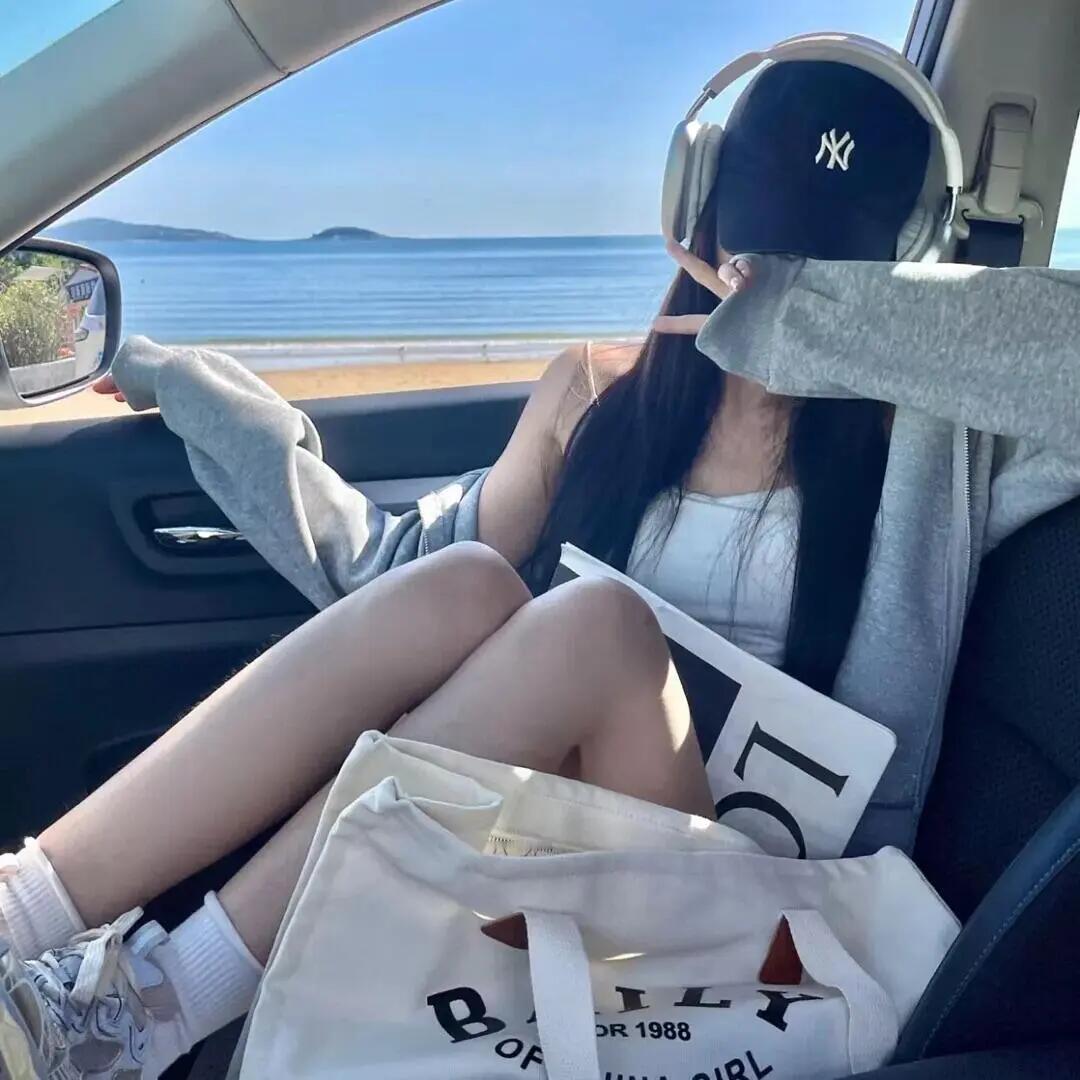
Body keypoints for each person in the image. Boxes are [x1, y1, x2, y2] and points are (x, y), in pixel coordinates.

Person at [3, 56, 1080, 1078]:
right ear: (697, 216)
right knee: (467, 582)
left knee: (596, 626)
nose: (762, 281)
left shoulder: (944, 447)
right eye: (757, 253)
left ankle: (146, 1013)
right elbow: (383, 569)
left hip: (765, 922)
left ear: (906, 263)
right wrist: (184, 383)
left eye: (824, 263)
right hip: (558, 853)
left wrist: (813, 319)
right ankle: (24, 918)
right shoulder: (601, 396)